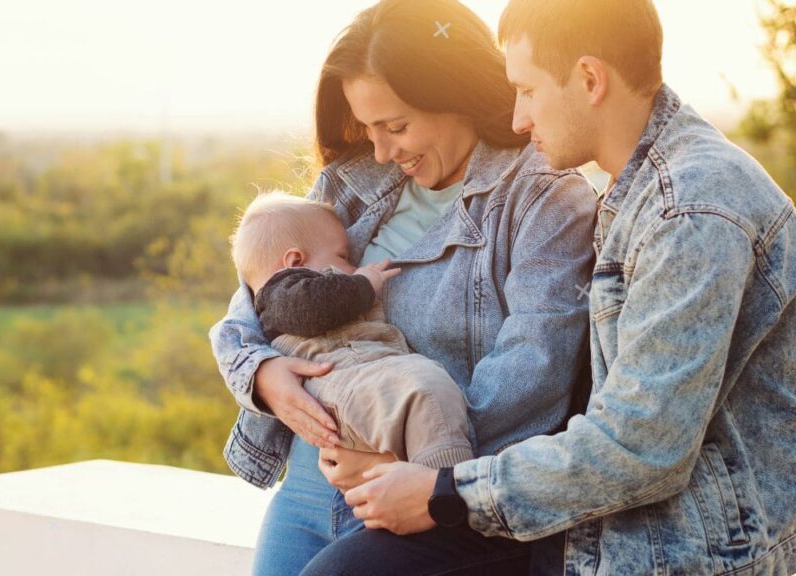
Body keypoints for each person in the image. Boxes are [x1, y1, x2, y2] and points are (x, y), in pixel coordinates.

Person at [300, 1, 796, 575]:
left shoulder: (688, 211)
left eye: (528, 91)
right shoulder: (644, 185)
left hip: (677, 537)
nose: (516, 118)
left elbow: (643, 446)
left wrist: (445, 489)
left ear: (590, 79)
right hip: (594, 503)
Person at [209, 0, 597, 574]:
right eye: (368, 128)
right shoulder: (348, 182)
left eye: (396, 126)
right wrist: (260, 374)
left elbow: (533, 375)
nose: (383, 149)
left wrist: (415, 466)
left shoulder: (543, 200)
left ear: (458, 92)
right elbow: (260, 290)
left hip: (418, 504)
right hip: (308, 483)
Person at [229, 190, 475, 468]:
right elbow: (311, 309)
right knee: (424, 393)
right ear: (295, 262)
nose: (354, 266)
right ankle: (443, 490)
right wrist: (364, 284)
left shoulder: (292, 291)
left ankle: (432, 482)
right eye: (343, 256)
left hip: (357, 376)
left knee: (430, 391)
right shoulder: (280, 294)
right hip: (335, 379)